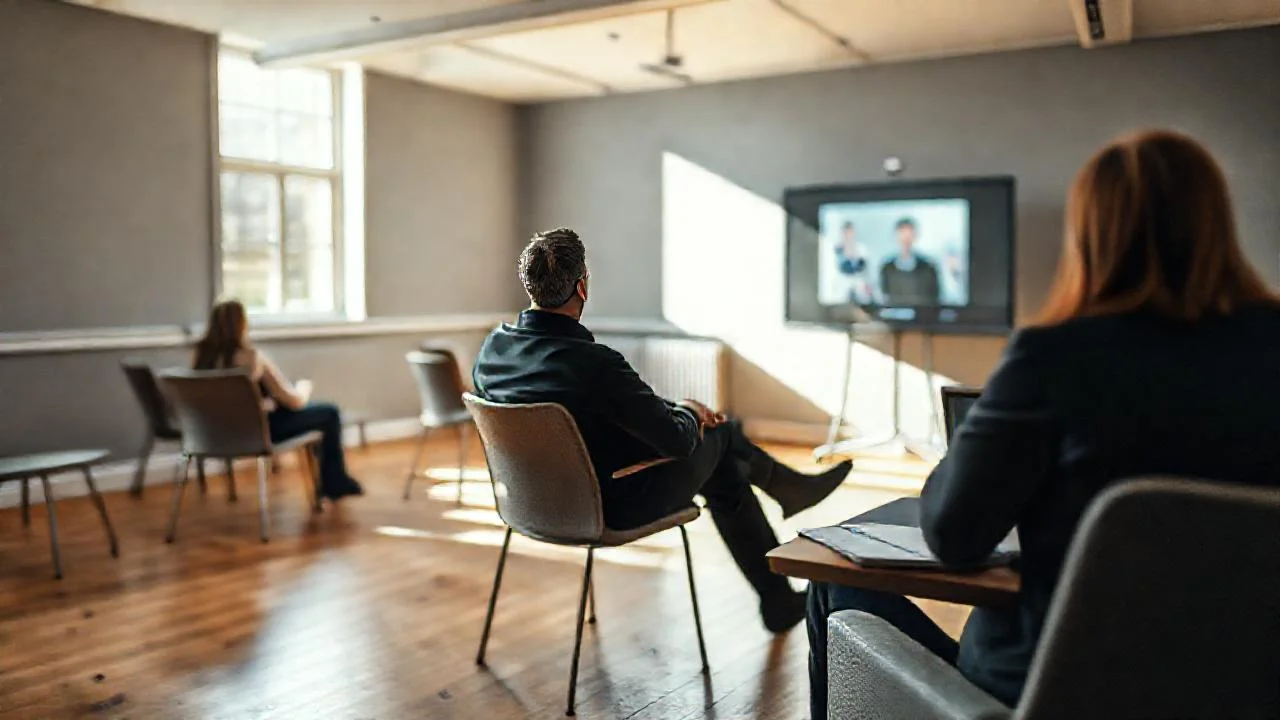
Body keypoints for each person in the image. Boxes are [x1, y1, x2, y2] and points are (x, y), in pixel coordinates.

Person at [806, 129, 1280, 718]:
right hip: (1246, 689)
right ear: (1217, 222)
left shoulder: (1054, 356)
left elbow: (954, 535)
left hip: (1049, 693)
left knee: (833, 585)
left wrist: (976, 439)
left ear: (1090, 235)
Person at [473, 228, 853, 632]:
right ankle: (784, 509)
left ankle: (779, 569)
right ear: (582, 287)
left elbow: (580, 420)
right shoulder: (595, 364)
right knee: (722, 440)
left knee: (725, 468)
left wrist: (675, 412)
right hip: (608, 508)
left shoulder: (493, 350)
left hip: (531, 506)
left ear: (528, 285)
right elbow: (677, 441)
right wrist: (689, 409)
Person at [192, 300, 364, 500]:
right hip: (257, 435)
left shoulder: (200, 359)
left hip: (212, 436)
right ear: (242, 325)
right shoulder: (252, 357)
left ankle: (333, 481)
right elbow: (294, 402)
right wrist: (303, 388)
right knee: (329, 413)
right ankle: (334, 482)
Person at [878, 218, 941, 305]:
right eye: (902, 234)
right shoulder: (887, 268)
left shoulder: (928, 267)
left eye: (909, 235)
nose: (906, 239)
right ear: (896, 236)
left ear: (915, 236)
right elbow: (885, 297)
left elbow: (935, 299)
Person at [833, 221, 873, 305]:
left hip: (860, 287)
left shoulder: (861, 249)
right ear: (843, 234)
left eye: (851, 233)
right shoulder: (837, 251)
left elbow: (866, 271)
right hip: (842, 288)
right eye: (846, 233)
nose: (849, 235)